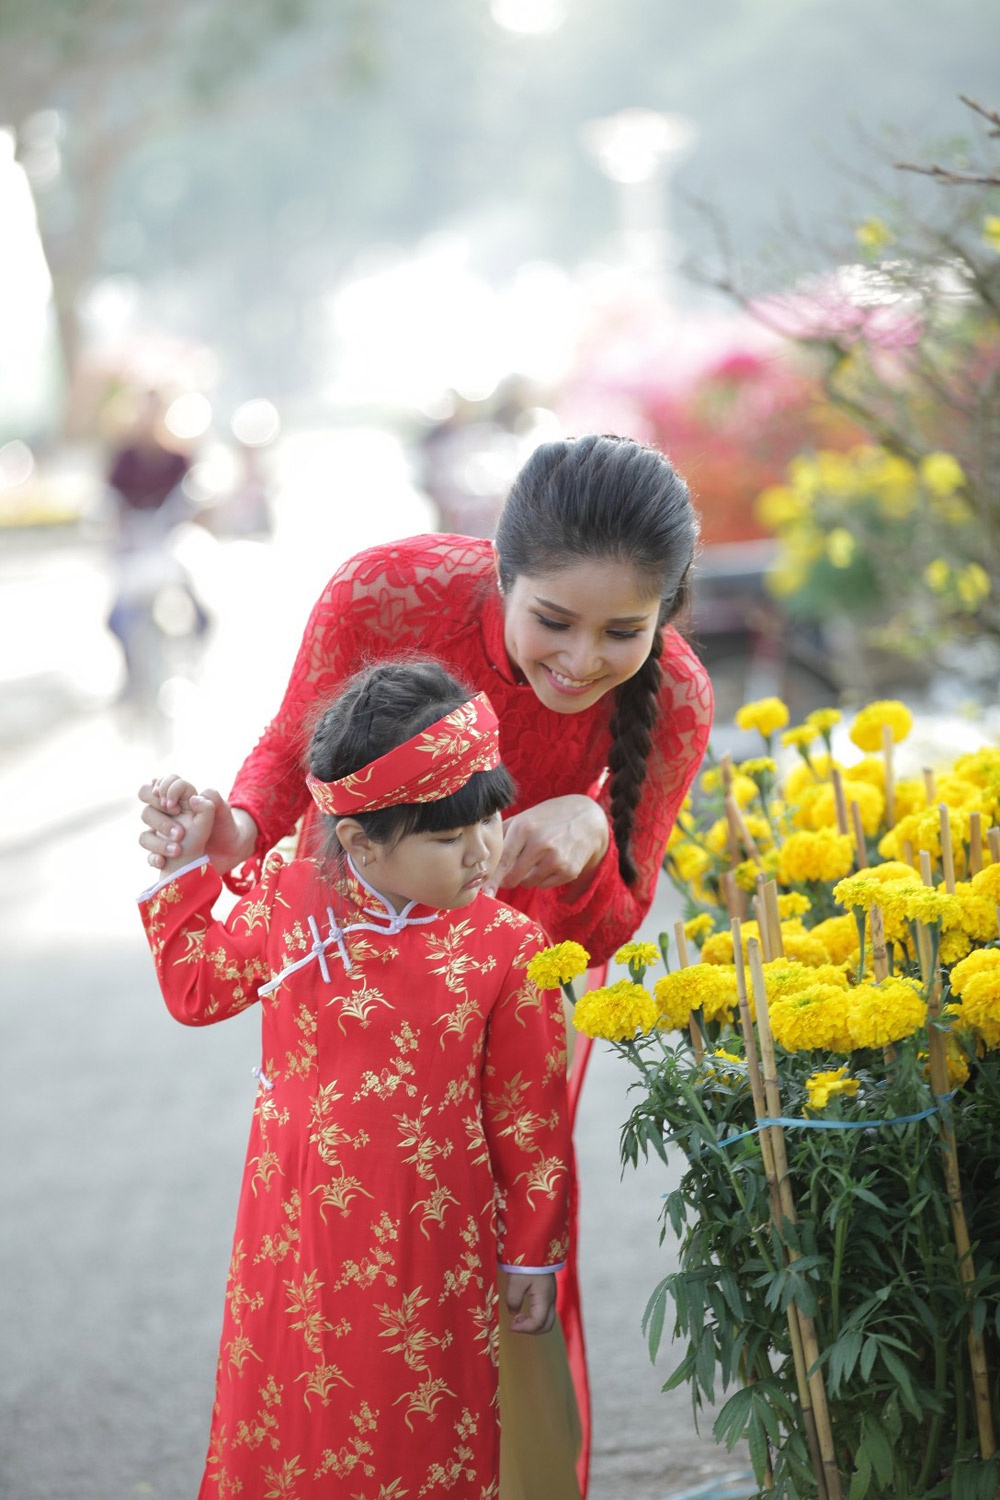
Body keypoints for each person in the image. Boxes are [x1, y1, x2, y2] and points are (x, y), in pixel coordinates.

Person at [139, 432, 715, 1494]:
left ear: (666, 615)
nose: (581, 660)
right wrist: (239, 828)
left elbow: (607, 928)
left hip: (511, 982)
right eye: (553, 620)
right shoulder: (386, 593)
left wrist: (589, 831)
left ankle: (514, 1479)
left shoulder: (674, 697)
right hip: (353, 962)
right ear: (499, 569)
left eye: (621, 631)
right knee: (328, 1238)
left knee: (507, 1237)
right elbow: (291, 750)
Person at [137, 658, 572, 1500]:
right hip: (292, 1232)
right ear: (360, 841)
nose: (483, 851)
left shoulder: (507, 947)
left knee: (420, 1421)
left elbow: (528, 1118)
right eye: (447, 838)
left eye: (490, 818)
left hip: (430, 1244)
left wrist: (531, 1255)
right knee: (292, 1416)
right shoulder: (291, 900)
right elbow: (197, 990)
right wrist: (181, 869)